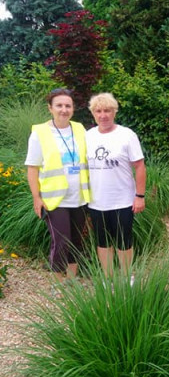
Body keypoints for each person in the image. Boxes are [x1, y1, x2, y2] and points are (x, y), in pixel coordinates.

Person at [25, 88, 90, 280]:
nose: (64, 109)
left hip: (80, 197)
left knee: (77, 240)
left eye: (68, 105)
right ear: (50, 108)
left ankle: (72, 280)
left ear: (73, 108)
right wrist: (36, 198)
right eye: (59, 105)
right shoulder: (40, 133)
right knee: (61, 241)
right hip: (55, 199)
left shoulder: (79, 129)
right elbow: (32, 168)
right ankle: (58, 284)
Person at [86, 92, 146, 276]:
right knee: (102, 242)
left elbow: (140, 166)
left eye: (107, 110)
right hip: (96, 201)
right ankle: (107, 278)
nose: (103, 115)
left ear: (114, 112)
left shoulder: (127, 135)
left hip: (122, 200)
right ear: (93, 113)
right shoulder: (87, 136)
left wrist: (140, 196)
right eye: (98, 111)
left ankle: (127, 278)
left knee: (123, 242)